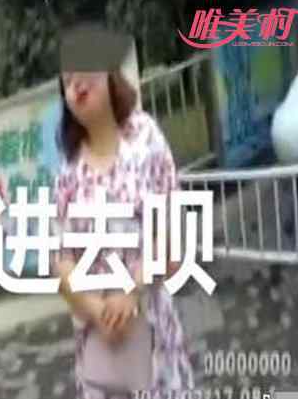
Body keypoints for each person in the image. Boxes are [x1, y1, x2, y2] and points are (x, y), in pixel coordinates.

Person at [52, 24, 194, 398]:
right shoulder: (67, 175)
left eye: (84, 71)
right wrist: (97, 310)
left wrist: (131, 291)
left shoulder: (145, 137)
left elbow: (171, 230)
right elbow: (61, 262)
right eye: (67, 80)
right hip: (101, 349)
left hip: (154, 334)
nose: (76, 84)